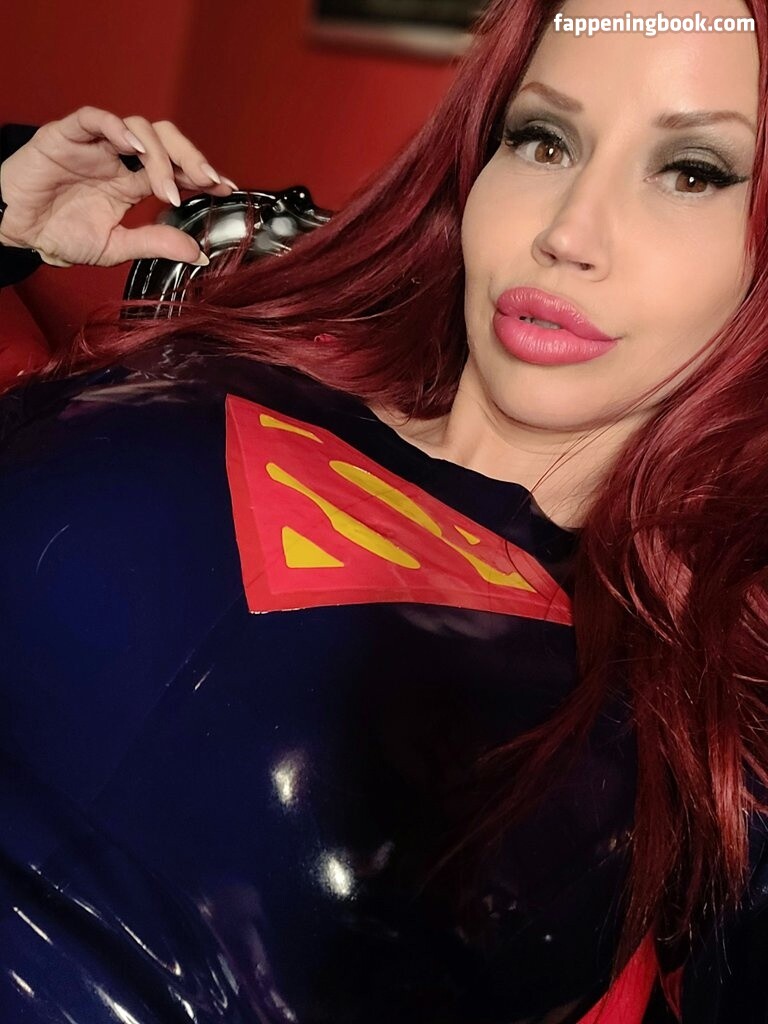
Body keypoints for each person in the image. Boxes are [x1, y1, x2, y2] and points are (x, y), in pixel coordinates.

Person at [0, 0, 765, 1019]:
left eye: (694, 172)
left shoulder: (701, 705)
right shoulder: (242, 342)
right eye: (543, 139)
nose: (567, 233)